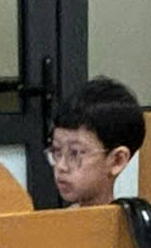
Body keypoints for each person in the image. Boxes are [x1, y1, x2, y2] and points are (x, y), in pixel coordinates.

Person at [46, 77, 145, 209]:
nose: (61, 166)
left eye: (75, 153)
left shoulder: (131, 227)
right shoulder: (58, 224)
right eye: (57, 151)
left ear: (117, 160)